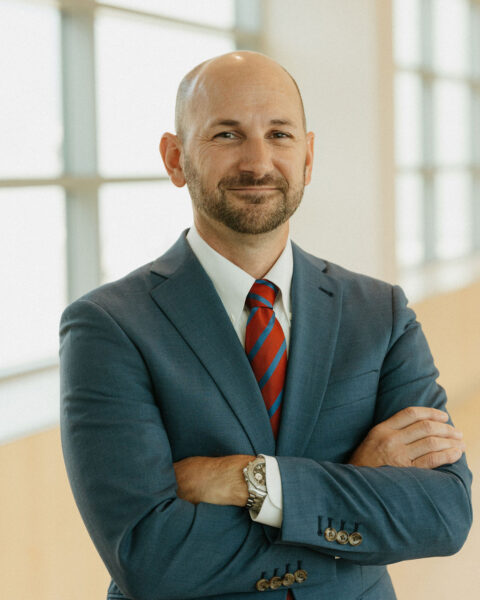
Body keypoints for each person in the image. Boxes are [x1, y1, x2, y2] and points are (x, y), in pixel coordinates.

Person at [59, 51, 472, 600]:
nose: (258, 162)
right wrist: (353, 491)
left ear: (307, 157)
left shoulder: (380, 312)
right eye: (227, 135)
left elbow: (442, 514)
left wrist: (254, 482)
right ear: (175, 159)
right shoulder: (108, 326)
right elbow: (150, 557)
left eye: (279, 135)